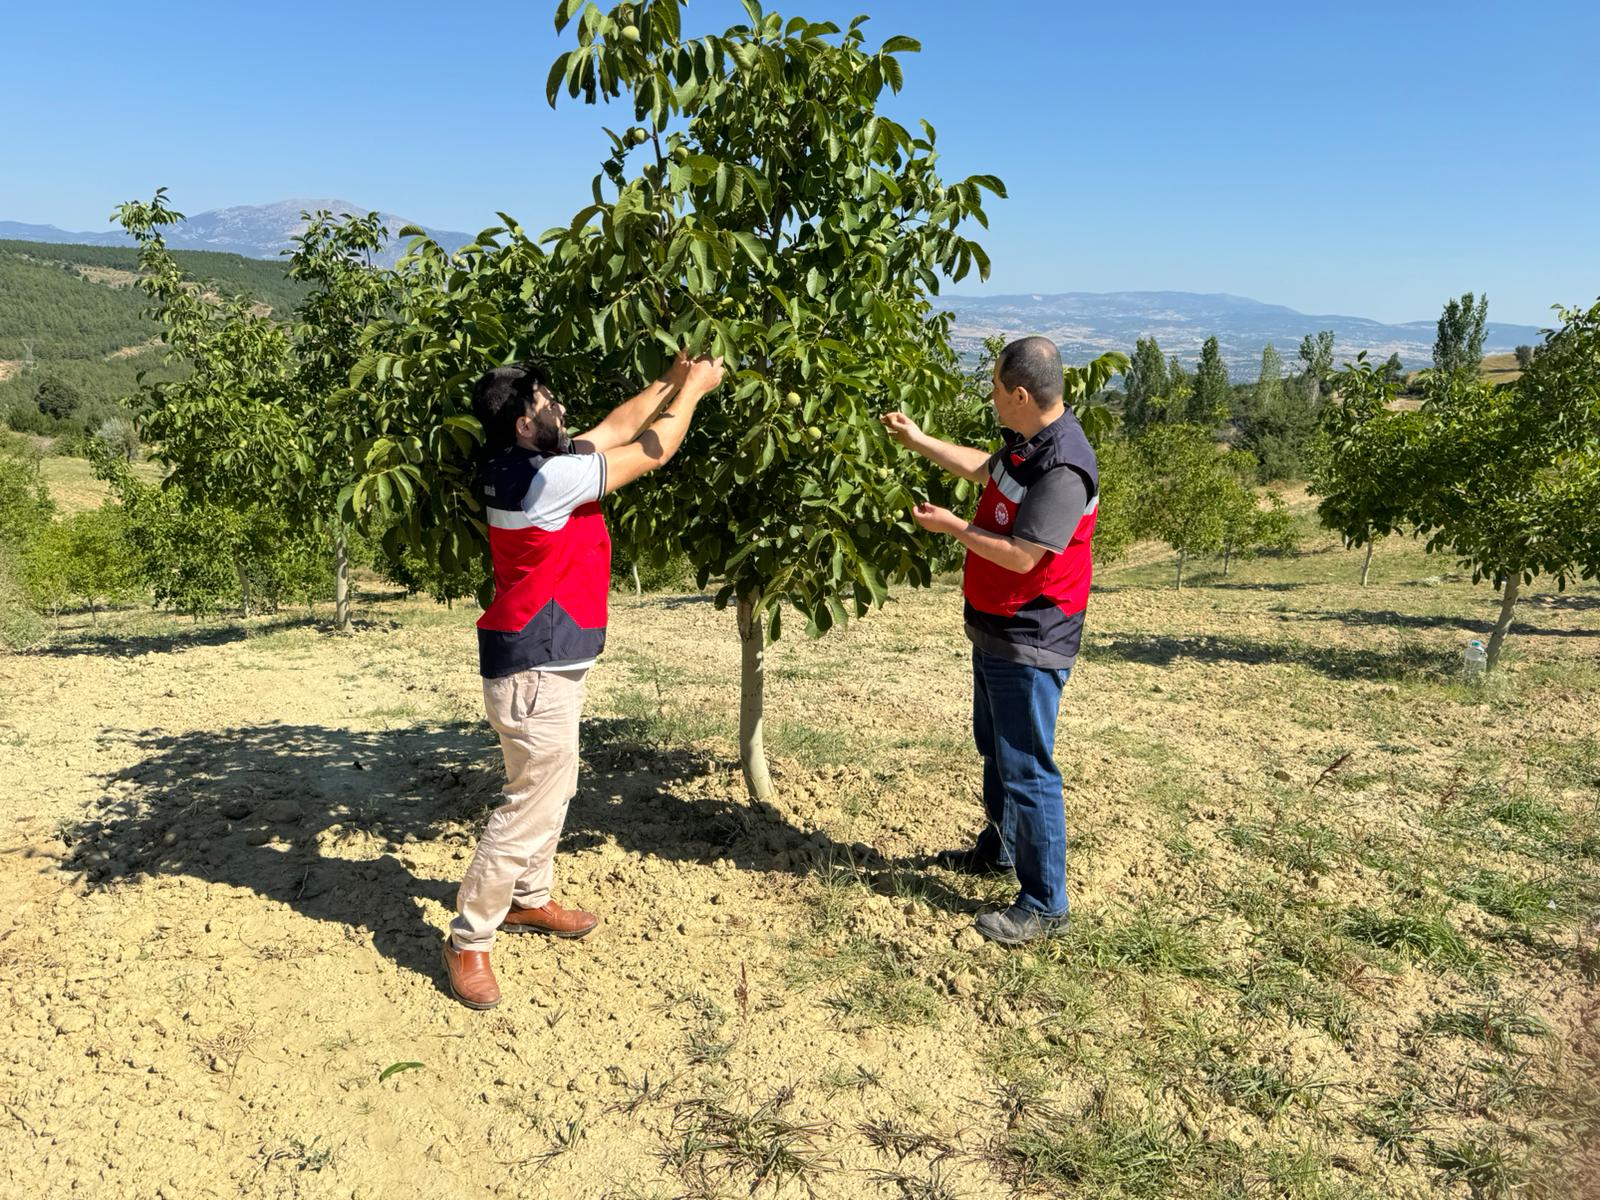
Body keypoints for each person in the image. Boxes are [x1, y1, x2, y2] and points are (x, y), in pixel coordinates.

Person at [442, 351, 726, 1008]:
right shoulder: (548, 479)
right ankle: (469, 937)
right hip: (536, 666)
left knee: (554, 786)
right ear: (523, 425)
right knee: (528, 805)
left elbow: (615, 427)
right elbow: (652, 449)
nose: (560, 407)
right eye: (546, 402)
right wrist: (696, 392)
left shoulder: (522, 461)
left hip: (542, 659)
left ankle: (527, 898)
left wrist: (670, 377)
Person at [879, 336, 1098, 945]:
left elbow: (1024, 556)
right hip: (997, 625)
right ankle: (1000, 848)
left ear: (1021, 394)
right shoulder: (1030, 444)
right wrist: (919, 440)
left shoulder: (1063, 467)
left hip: (1031, 634)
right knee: (997, 750)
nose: (992, 398)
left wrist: (954, 527)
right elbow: (985, 468)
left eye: (998, 388)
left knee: (1027, 766)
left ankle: (1045, 904)